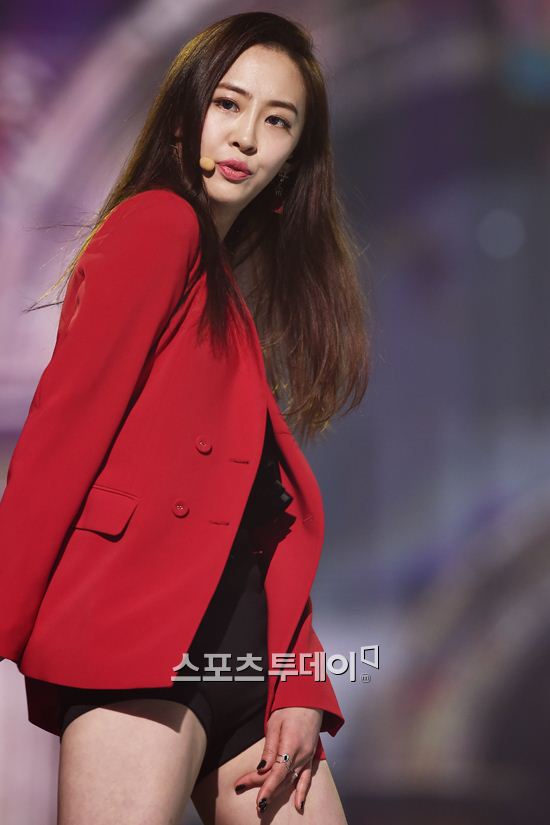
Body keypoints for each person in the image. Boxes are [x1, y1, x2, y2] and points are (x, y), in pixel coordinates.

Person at [0, 11, 370, 824]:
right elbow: (62, 438)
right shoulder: (158, 225)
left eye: (278, 121)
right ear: (183, 114)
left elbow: (261, 521)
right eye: (228, 104)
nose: (246, 137)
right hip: (139, 641)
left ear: (294, 158)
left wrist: (299, 679)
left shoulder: (227, 292)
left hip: (245, 661)